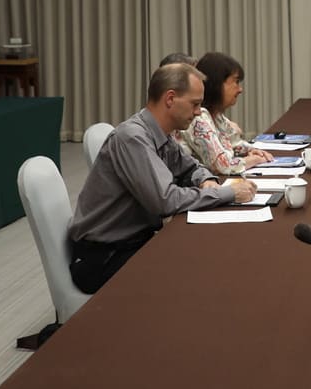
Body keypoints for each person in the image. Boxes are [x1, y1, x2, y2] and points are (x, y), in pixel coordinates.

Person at [68, 63, 256, 293]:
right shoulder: (133, 138)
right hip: (103, 257)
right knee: (200, 270)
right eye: (195, 104)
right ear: (170, 99)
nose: (199, 112)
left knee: (208, 255)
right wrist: (226, 193)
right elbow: (165, 200)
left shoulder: (160, 134)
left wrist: (206, 181)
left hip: (132, 242)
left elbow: (192, 168)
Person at [181, 52, 274, 175]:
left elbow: (233, 143)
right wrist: (254, 160)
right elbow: (222, 166)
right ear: (217, 84)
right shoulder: (197, 117)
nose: (240, 89)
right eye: (236, 82)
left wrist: (251, 150)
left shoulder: (216, 115)